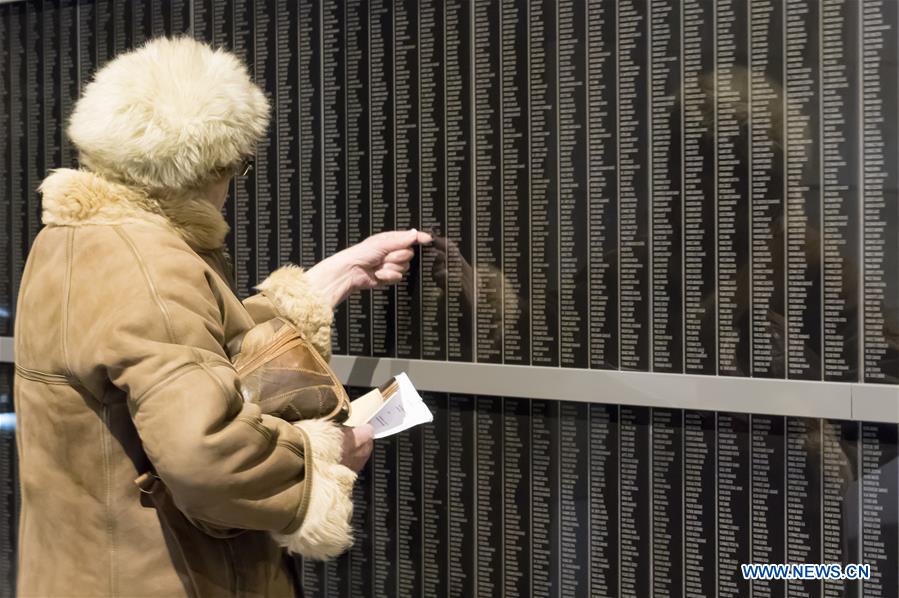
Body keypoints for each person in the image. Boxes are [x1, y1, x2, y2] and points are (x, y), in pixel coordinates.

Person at [13, 36, 429, 596]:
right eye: (239, 167)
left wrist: (333, 277)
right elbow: (203, 453)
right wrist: (320, 457)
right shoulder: (152, 265)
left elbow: (191, 347)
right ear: (209, 167)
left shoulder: (73, 240)